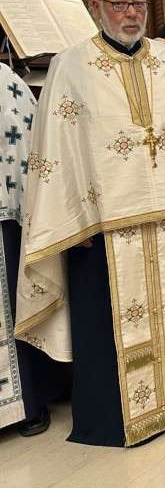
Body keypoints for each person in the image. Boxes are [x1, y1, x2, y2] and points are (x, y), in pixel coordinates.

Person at [15, 0, 165, 447]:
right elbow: (56, 150)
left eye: (139, 5)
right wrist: (69, 221)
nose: (131, 14)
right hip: (104, 226)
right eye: (119, 5)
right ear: (96, 8)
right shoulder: (71, 67)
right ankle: (115, 418)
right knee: (109, 323)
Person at [0, 63, 69, 437]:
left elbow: (26, 143)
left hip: (5, 218)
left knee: (14, 306)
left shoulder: (4, 80)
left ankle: (28, 401)